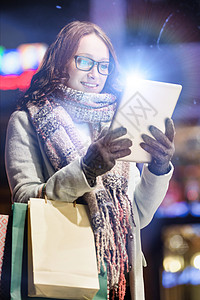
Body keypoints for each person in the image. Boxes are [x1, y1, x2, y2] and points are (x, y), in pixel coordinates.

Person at [5, 21, 175, 300]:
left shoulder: (118, 124)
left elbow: (137, 218)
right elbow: (24, 198)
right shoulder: (27, 120)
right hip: (61, 269)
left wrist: (158, 168)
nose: (95, 73)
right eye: (84, 61)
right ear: (61, 62)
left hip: (119, 279)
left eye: (103, 65)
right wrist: (86, 170)